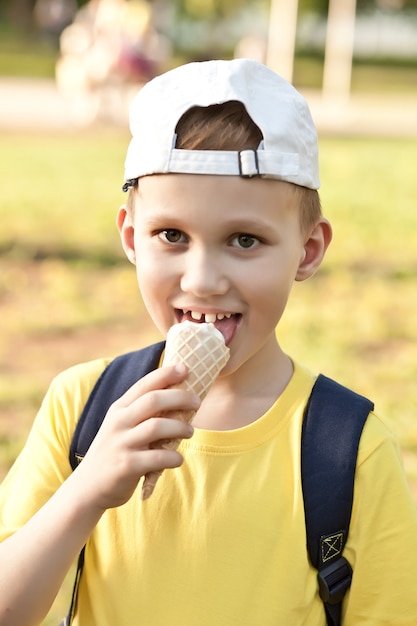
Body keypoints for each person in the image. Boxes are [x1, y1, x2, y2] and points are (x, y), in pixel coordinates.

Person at [0, 59, 416, 626]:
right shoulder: (81, 408)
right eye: (172, 235)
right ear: (130, 237)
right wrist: (86, 489)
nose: (201, 279)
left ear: (309, 249)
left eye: (245, 240)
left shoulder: (349, 449)